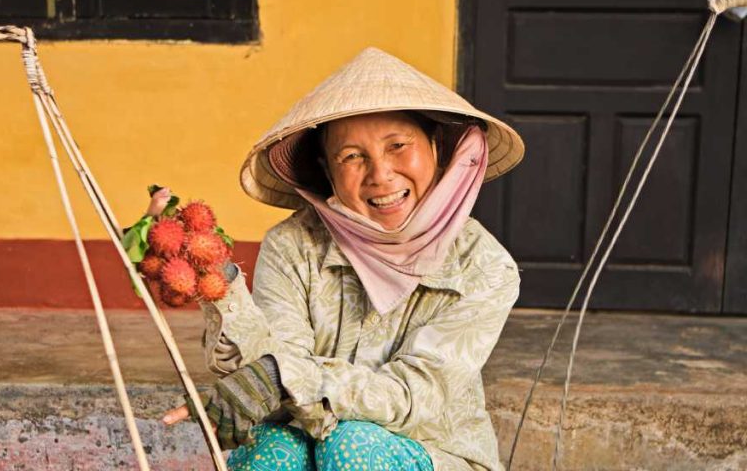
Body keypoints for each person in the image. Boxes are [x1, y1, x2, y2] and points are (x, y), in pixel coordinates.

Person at [162, 47, 525, 471]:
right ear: (326, 170)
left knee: (353, 445)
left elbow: (409, 397)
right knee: (273, 450)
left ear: (436, 147)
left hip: (434, 453)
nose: (380, 174)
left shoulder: (485, 267)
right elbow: (271, 366)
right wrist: (217, 282)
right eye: (352, 156)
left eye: (398, 146)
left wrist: (286, 377)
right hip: (312, 443)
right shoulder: (293, 245)